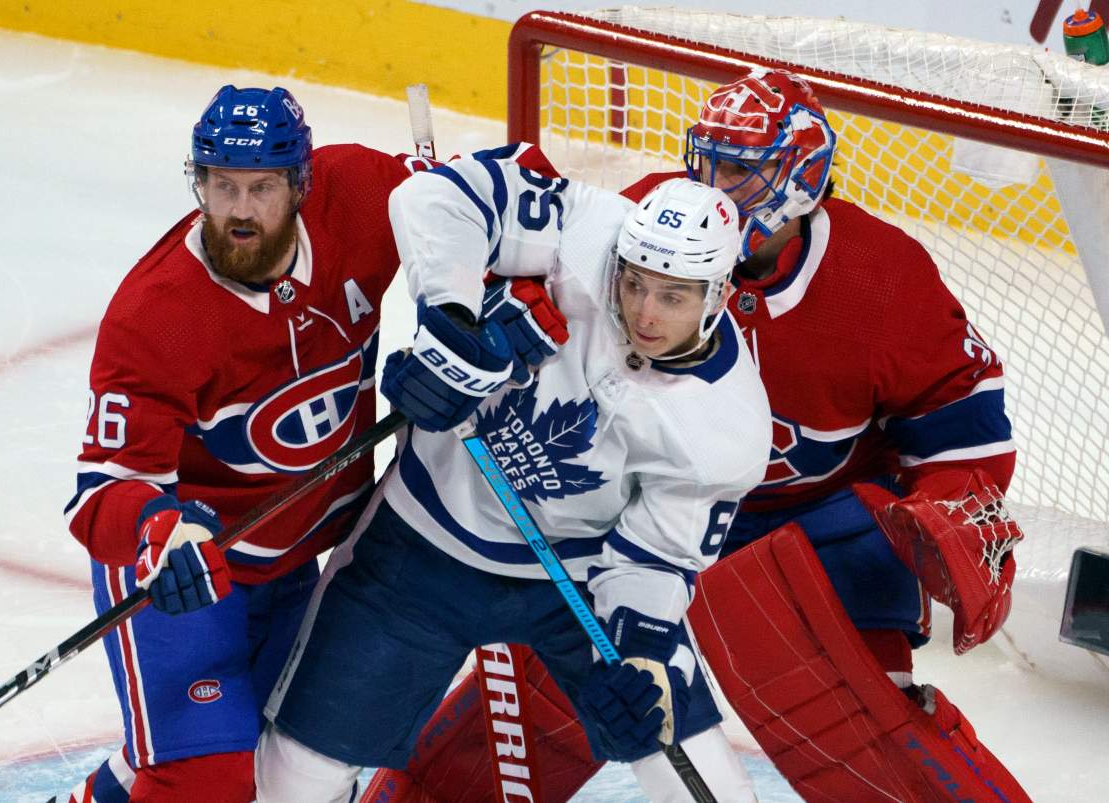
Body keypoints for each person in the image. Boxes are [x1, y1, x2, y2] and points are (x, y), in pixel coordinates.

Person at [362, 69, 1031, 803]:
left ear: (801, 176)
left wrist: (949, 504)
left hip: (810, 531)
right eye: (704, 161)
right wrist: (503, 316)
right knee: (577, 684)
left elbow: (959, 413)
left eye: (738, 170)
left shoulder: (881, 278)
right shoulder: (647, 218)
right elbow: (547, 264)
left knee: (857, 719)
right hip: (642, 504)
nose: (711, 184)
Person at [253, 148, 773, 802]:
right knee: (292, 782)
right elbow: (433, 199)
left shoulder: (728, 427)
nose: (643, 312)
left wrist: (641, 656)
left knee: (705, 785)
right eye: (634, 282)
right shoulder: (588, 233)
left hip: (576, 580)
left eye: (672, 297)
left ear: (719, 295)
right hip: (421, 544)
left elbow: (657, 556)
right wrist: (454, 321)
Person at [60, 84, 422, 802]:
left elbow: (485, 200)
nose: (240, 210)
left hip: (297, 562)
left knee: (278, 762)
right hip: (184, 578)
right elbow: (98, 495)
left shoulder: (360, 194)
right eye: (221, 185)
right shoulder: (155, 315)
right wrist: (157, 529)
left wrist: (491, 306)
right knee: (206, 779)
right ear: (198, 182)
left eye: (261, 187)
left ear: (301, 182)